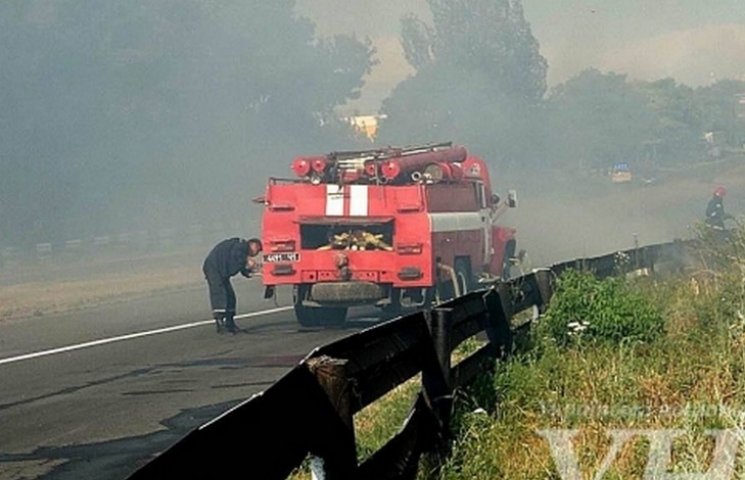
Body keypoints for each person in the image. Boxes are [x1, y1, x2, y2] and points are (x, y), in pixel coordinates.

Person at [202, 237, 262, 334]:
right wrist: (247, 260)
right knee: (220, 295)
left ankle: (230, 323)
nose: (257, 254)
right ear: (254, 245)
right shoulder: (241, 245)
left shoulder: (241, 252)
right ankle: (221, 324)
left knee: (230, 296)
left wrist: (254, 272)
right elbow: (238, 255)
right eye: (258, 250)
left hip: (222, 272)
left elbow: (242, 267)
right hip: (214, 269)